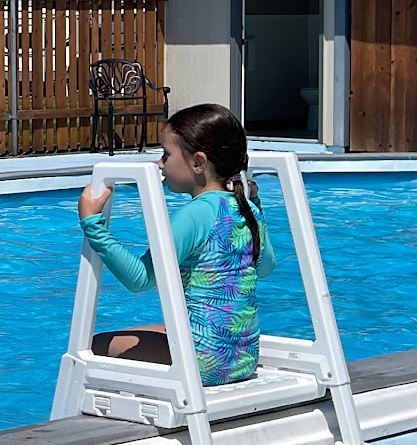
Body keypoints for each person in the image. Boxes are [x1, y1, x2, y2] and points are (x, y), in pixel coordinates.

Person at [77, 103, 273, 387]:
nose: (160, 164)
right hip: (241, 359)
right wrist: (256, 204)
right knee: (159, 329)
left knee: (95, 344)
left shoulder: (195, 214)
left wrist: (93, 225)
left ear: (198, 163)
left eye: (166, 154)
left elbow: (141, 279)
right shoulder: (249, 209)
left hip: (201, 364)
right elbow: (265, 267)